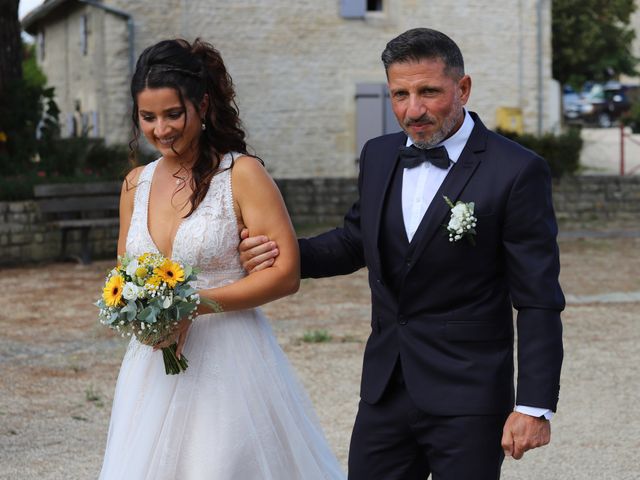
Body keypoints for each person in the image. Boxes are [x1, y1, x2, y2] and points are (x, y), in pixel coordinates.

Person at [239, 28, 564, 480]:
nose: (413, 110)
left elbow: (538, 297)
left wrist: (533, 405)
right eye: (400, 94)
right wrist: (281, 253)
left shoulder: (517, 171)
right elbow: (356, 241)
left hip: (468, 394)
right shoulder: (378, 155)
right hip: (385, 389)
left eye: (429, 92)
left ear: (463, 88)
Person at [99, 38, 345, 479]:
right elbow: (125, 274)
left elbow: (286, 275)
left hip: (229, 362)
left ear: (203, 104)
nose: (161, 129)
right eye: (148, 117)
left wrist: (194, 305)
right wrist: (142, 317)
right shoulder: (134, 184)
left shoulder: (242, 174)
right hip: (152, 366)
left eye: (173, 114)